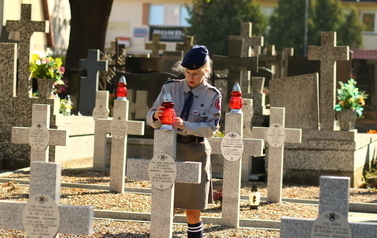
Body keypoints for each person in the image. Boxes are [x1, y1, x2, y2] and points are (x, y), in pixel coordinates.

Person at [146, 45, 222, 238]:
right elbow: (150, 117)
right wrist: (156, 115)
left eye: (196, 73)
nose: (190, 77)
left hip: (196, 152)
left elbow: (211, 129)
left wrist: (185, 124)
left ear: (206, 71)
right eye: (187, 72)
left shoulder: (213, 95)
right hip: (170, 149)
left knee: (192, 209)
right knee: (165, 204)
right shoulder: (170, 87)